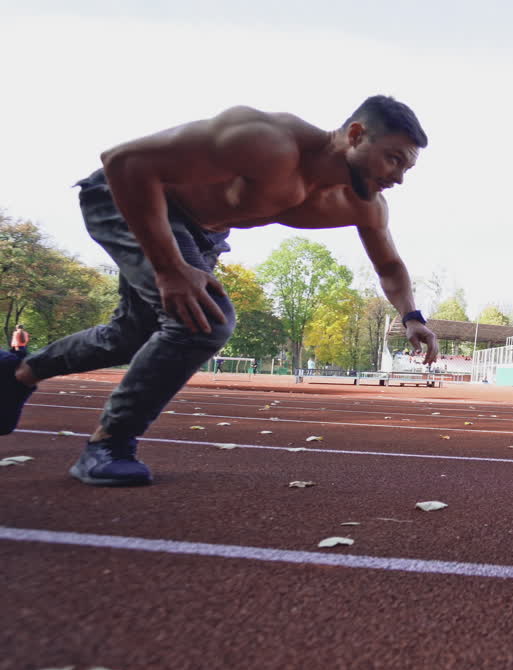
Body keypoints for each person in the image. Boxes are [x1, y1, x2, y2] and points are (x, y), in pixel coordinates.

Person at [0, 96, 439, 487]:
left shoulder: (360, 203)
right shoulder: (268, 142)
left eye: (407, 167)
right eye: (392, 160)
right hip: (126, 197)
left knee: (133, 336)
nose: (398, 177)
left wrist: (411, 317)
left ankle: (19, 373)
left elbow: (389, 265)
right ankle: (108, 444)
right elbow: (124, 162)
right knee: (201, 321)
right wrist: (171, 268)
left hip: (199, 233)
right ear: (356, 135)